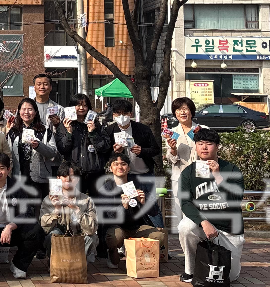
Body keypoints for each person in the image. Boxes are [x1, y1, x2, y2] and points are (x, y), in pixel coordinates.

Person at [178, 128, 245, 284]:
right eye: (200, 143)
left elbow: (236, 199)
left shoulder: (231, 169)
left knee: (229, 277)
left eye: (209, 144)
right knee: (185, 227)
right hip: (203, 226)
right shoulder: (188, 172)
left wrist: (218, 176)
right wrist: (203, 221)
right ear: (196, 146)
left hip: (227, 229)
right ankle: (191, 270)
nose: (204, 147)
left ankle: (226, 262)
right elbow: (185, 202)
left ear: (217, 146)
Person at [95, 153, 167, 269]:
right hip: (117, 228)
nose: (120, 167)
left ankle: (138, 255)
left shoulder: (138, 185)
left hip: (137, 227)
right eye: (116, 164)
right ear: (110, 168)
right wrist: (123, 207)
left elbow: (153, 212)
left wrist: (143, 202)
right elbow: (109, 216)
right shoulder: (106, 188)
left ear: (128, 168)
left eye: (123, 164)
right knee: (114, 238)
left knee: (159, 236)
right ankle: (112, 252)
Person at [104, 98, 163, 227]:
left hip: (144, 174)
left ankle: (159, 233)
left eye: (125, 113)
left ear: (130, 114)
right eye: (118, 113)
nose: (122, 117)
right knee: (129, 205)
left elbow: (155, 149)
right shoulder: (109, 131)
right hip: (125, 177)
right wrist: (114, 152)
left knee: (151, 205)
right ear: (113, 115)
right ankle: (131, 232)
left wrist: (142, 151)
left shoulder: (142, 129)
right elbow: (104, 153)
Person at [40, 160, 99, 260]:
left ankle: (79, 264)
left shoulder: (86, 200)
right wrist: (56, 210)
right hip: (60, 239)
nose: (68, 179)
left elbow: (91, 229)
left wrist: (76, 210)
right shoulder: (49, 199)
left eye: (72, 176)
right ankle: (54, 262)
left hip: (78, 239)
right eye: (64, 176)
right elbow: (43, 228)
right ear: (58, 178)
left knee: (91, 238)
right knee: (53, 235)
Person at [56, 93, 110, 196]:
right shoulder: (64, 125)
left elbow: (105, 147)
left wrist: (93, 133)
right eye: (78, 105)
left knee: (97, 202)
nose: (81, 108)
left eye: (85, 105)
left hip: (95, 172)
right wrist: (68, 133)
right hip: (74, 173)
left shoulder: (97, 125)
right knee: (75, 201)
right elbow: (62, 149)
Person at [7, 97, 58, 199]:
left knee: (39, 206)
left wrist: (39, 146)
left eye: (30, 109)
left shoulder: (44, 130)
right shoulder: (13, 132)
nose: (26, 112)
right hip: (18, 177)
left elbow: (53, 152)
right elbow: (8, 153)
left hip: (40, 179)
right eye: (23, 109)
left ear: (35, 112)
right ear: (19, 112)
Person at [165, 97, 201, 232]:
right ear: (175, 113)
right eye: (179, 110)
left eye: (185, 109)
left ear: (191, 111)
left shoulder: (202, 130)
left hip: (200, 177)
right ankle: (185, 242)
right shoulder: (172, 133)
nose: (182, 112)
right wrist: (173, 149)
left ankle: (201, 241)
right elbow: (171, 159)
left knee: (199, 211)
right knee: (181, 212)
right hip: (180, 177)